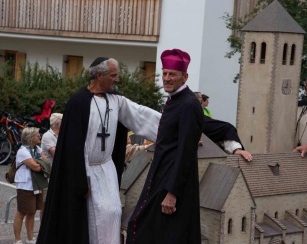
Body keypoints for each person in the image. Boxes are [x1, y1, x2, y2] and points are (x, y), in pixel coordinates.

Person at [36, 57, 161, 244]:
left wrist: (178, 131)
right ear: (99, 76)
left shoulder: (117, 101)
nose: (117, 80)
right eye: (113, 75)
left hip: (106, 168)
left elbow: (142, 116)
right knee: (90, 217)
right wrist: (81, 180)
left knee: (113, 212)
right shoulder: (78, 103)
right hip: (85, 170)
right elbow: (73, 147)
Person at [127, 48, 204, 243]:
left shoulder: (188, 104)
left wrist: (172, 193)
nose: (167, 78)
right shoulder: (175, 101)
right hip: (162, 174)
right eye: (165, 73)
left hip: (173, 182)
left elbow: (186, 152)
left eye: (173, 74)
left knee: (151, 230)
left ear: (184, 77)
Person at [195, 92, 252, 161]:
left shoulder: (205, 111)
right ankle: (236, 150)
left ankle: (234, 149)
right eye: (203, 99)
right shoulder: (194, 111)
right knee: (227, 127)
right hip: (201, 126)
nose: (208, 102)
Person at [13, 127, 45, 244]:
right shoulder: (23, 151)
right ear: (31, 138)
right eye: (37, 135)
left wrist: (41, 163)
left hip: (37, 184)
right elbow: (36, 167)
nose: (39, 137)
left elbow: (46, 162)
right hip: (25, 185)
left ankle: (30, 238)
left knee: (32, 211)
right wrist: (41, 163)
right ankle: (17, 239)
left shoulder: (37, 148)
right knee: (22, 211)